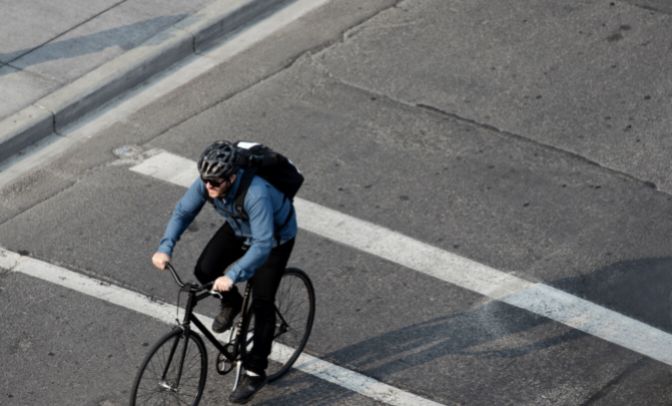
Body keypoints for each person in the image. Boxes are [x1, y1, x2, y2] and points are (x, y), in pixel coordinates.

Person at [151, 140, 297, 404]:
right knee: (204, 269)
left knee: (262, 302)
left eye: (215, 182)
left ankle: (255, 373)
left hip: (274, 238)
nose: (209, 186)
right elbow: (183, 211)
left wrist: (233, 275)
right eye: (206, 180)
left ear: (231, 176)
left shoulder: (257, 193)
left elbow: (263, 244)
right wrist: (166, 247)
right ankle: (233, 305)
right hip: (239, 225)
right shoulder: (209, 184)